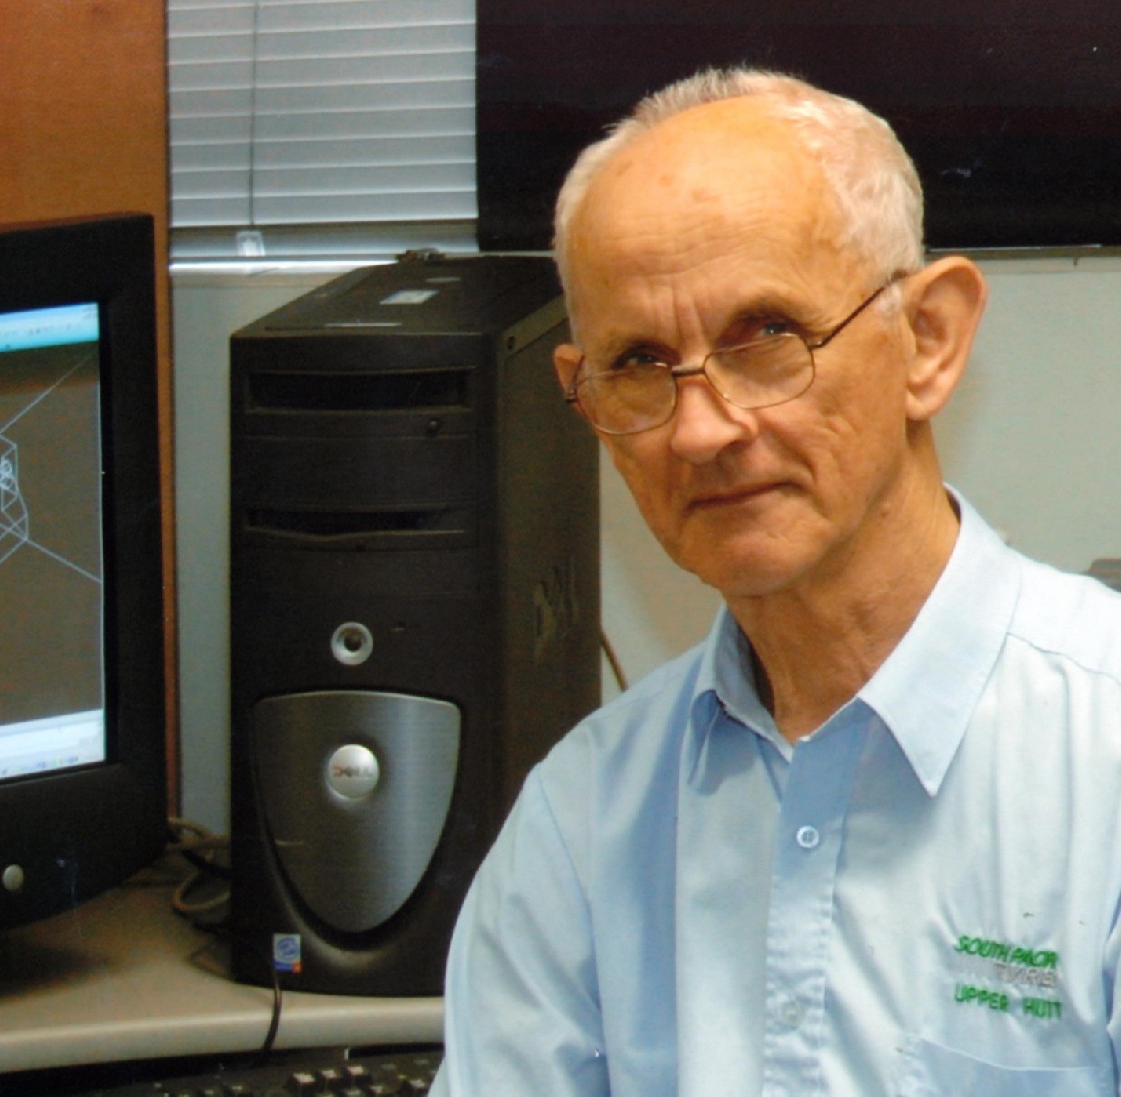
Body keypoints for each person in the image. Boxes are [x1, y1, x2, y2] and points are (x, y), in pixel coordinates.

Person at [432, 67, 1121, 1095]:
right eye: (638, 363)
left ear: (927, 340)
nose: (701, 428)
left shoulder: (1096, 758)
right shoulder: (581, 819)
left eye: (765, 338)